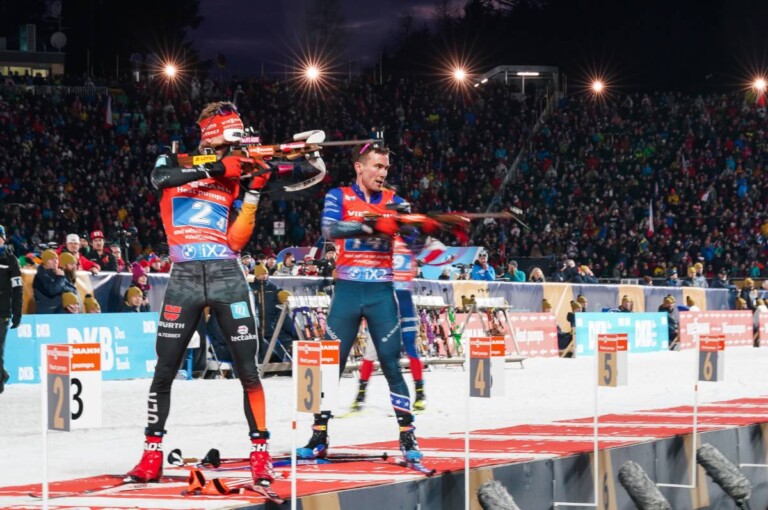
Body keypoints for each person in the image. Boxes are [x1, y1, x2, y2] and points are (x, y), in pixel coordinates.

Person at [127, 101, 275, 488]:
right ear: (213, 135)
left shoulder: (237, 171)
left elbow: (237, 241)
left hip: (226, 273)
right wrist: (213, 168)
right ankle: (151, 455)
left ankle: (260, 454)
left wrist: (255, 190)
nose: (235, 146)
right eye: (231, 136)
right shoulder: (174, 159)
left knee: (248, 370)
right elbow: (159, 179)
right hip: (185, 275)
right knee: (164, 370)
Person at [298, 143, 438, 464]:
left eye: (386, 168)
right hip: (347, 292)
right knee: (329, 366)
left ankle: (407, 435)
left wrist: (421, 229)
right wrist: (372, 225)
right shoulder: (339, 196)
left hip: (380, 294)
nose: (382, 173)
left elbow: (415, 244)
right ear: (359, 167)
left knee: (391, 365)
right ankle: (319, 435)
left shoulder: (395, 201)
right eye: (377, 166)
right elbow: (330, 229)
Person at [352, 236, 427, 412]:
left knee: (410, 348)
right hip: (384, 303)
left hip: (403, 302)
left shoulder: (404, 240)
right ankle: (361, 394)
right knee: (371, 351)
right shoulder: (382, 243)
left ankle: (420, 393)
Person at [250, 263, 293, 362]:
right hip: (256, 327)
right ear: (257, 275)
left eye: (265, 273)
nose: (264, 276)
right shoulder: (251, 287)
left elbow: (282, 297)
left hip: (270, 327)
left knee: (272, 351)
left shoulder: (273, 287)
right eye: (261, 274)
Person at [0, 225, 22, 393]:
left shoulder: (10, 259)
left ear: (3, 238)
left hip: (3, 311)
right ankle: (3, 374)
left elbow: (17, 289)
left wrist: (17, 313)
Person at [33, 249, 77, 314]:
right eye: (51, 259)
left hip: (60, 309)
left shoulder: (58, 274)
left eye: (56, 259)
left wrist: (62, 287)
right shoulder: (41, 276)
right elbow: (53, 290)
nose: (55, 261)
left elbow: (74, 290)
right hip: (48, 312)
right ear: (45, 262)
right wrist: (61, 278)